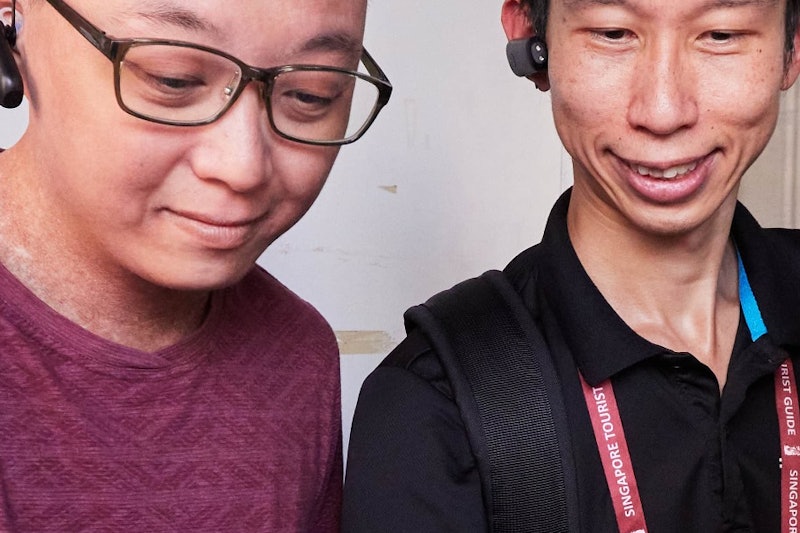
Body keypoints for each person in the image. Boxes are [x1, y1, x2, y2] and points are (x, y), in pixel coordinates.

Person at [342, 0, 800, 531]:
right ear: (531, 36)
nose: (663, 111)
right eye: (612, 33)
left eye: (721, 35)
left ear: (791, 48)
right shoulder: (432, 407)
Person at [0, 0, 391, 531]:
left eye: (311, 94)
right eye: (174, 79)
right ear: (13, 17)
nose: (243, 168)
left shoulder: (297, 356)